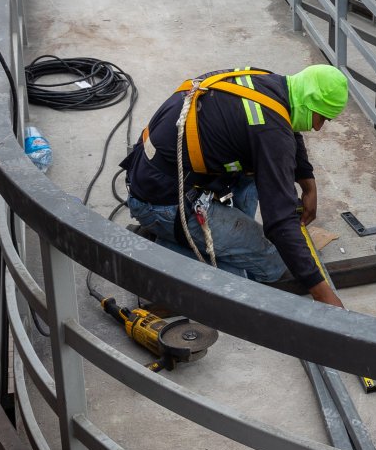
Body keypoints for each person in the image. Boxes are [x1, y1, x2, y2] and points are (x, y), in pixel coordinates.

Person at [119, 64, 349, 308]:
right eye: (321, 117)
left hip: (153, 175)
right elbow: (280, 222)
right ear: (308, 101)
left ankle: (225, 238)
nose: (318, 127)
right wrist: (323, 294)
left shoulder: (268, 83)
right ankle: (160, 251)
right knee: (272, 262)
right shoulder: (271, 133)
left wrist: (308, 183)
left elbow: (288, 127)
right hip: (163, 204)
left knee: (258, 164)